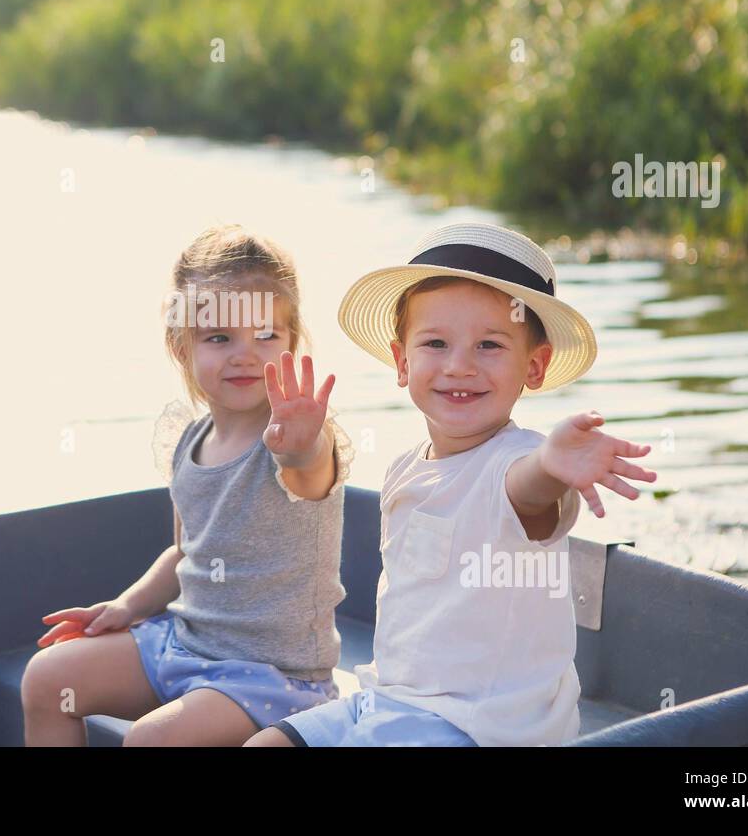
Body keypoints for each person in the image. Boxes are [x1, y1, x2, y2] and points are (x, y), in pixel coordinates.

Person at [246, 220, 656, 747]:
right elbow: (311, 488)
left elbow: (525, 494)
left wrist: (554, 462)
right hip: (388, 699)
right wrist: (302, 451)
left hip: (478, 727)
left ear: (534, 366)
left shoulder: (522, 459)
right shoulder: (405, 467)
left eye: (489, 345)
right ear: (401, 361)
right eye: (436, 343)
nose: (459, 366)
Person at [21, 224, 353, 745]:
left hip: (270, 676)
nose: (244, 354)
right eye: (219, 338)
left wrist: (301, 444)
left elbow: (307, 471)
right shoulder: (189, 439)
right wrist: (127, 606)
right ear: (182, 347)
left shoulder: (299, 438)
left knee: (151, 741)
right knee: (46, 678)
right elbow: (183, 552)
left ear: (293, 340)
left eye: (265, 335)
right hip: (181, 645)